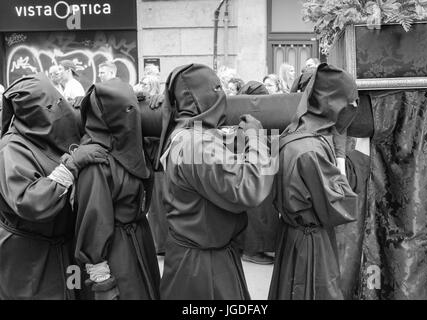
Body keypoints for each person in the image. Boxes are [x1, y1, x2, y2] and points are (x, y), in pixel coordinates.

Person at [157, 63, 275, 299]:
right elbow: (249, 187)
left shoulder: (185, 134)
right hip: (203, 269)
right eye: (217, 87)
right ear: (198, 97)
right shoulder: (196, 143)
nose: (222, 95)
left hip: (199, 258)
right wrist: (257, 138)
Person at [0, 73, 108, 299]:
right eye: (50, 106)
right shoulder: (11, 149)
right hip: (30, 258)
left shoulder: (51, 134)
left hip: (66, 253)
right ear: (29, 114)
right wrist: (71, 166)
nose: (59, 110)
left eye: (60, 101)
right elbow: (30, 202)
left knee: (72, 291)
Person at [268, 63, 362, 300]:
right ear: (332, 103)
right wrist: (349, 166)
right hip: (311, 245)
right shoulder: (311, 149)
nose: (353, 107)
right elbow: (340, 206)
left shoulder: (293, 134)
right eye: (348, 102)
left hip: (294, 237)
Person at [74, 78, 161, 300]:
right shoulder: (96, 160)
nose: (133, 117)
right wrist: (102, 281)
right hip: (117, 251)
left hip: (139, 240)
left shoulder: (130, 146)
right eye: (127, 110)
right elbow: (93, 224)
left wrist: (161, 104)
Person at [236, 81, 279, 265]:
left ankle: (254, 248)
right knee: (258, 212)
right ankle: (252, 250)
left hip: (258, 167)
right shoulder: (248, 120)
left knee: (261, 211)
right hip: (254, 168)